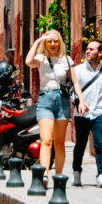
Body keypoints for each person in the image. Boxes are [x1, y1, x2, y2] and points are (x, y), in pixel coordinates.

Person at [25, 29, 86, 183]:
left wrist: (82, 101)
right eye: (49, 41)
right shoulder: (41, 58)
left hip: (62, 101)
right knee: (46, 140)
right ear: (45, 43)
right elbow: (28, 61)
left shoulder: (66, 60)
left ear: (60, 43)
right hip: (45, 100)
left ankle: (58, 177)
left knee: (59, 142)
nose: (52, 44)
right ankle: (44, 176)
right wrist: (38, 41)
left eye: (55, 41)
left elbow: (75, 82)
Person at [71, 39, 102, 188]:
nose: (87, 51)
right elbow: (72, 90)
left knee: (100, 144)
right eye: (87, 49)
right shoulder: (78, 70)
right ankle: (76, 172)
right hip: (81, 114)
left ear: (100, 53)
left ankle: (101, 174)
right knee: (80, 144)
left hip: (100, 112)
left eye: (91, 49)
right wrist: (78, 102)